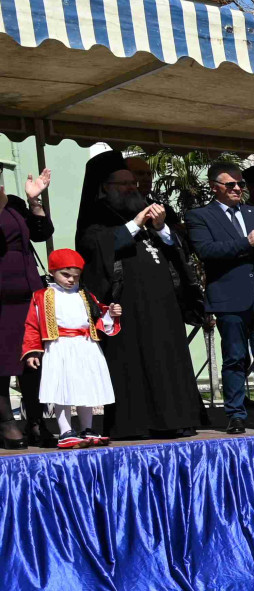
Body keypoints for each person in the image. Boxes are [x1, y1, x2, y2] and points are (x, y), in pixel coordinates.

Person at [76, 152, 206, 439]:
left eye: (132, 183)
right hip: (127, 305)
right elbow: (95, 248)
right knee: (134, 364)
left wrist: (161, 228)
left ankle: (176, 419)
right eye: (123, 183)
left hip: (165, 303)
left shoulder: (151, 210)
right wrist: (134, 225)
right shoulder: (96, 216)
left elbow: (180, 248)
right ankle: (135, 425)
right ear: (105, 188)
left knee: (168, 359)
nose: (131, 188)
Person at [186, 161, 254, 433]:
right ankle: (236, 414)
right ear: (214, 187)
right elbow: (207, 251)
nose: (237, 189)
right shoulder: (200, 216)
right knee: (234, 358)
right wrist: (248, 242)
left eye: (240, 184)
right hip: (230, 297)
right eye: (230, 184)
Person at [19, 248, 118, 448]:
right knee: (61, 388)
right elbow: (32, 325)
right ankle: (65, 431)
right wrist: (32, 350)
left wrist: (110, 314)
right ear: (52, 271)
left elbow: (98, 320)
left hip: (86, 346)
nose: (71, 280)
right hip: (59, 346)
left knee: (86, 387)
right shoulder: (43, 296)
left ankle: (87, 428)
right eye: (65, 274)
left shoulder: (86, 295)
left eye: (76, 276)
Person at [1, 168, 56, 448]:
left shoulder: (13, 203)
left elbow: (42, 233)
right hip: (2, 297)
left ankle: (35, 420)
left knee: (32, 359)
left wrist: (34, 202)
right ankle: (5, 423)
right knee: (2, 360)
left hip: (28, 293)